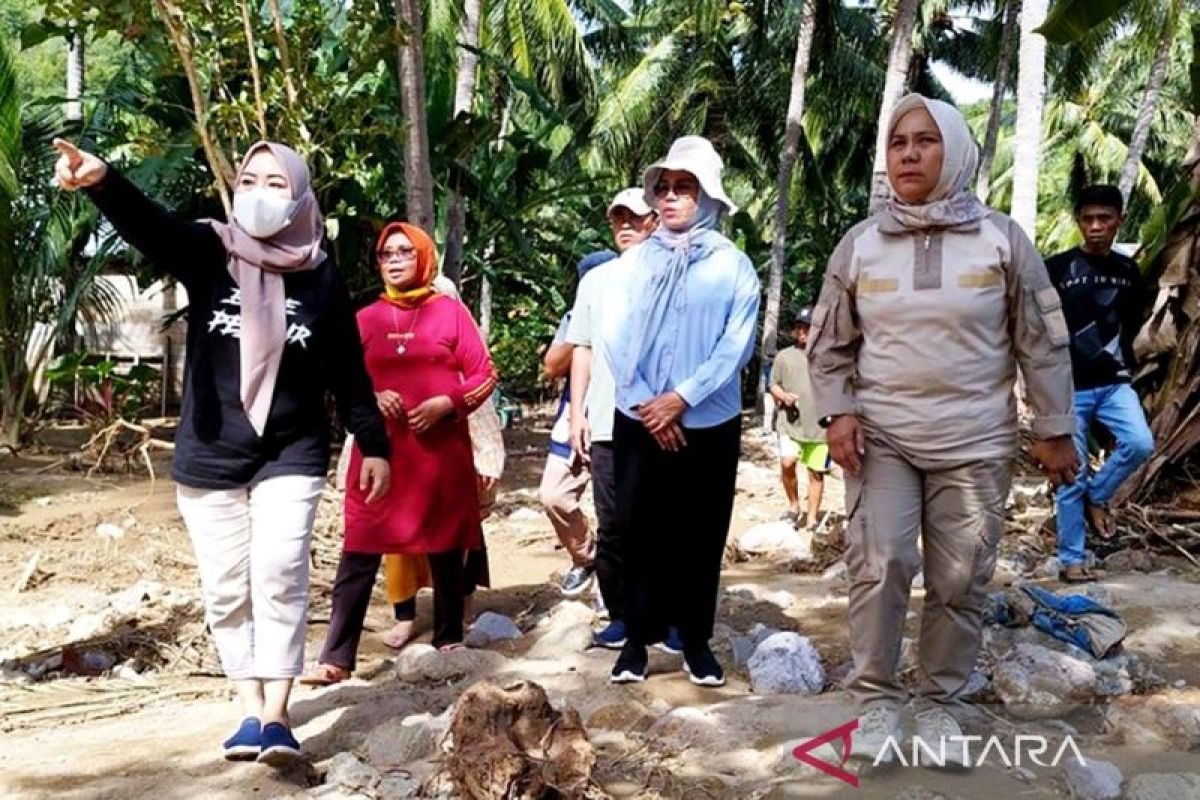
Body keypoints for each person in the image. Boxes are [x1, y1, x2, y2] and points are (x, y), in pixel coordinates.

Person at [53, 139, 391, 765]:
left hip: (291, 451)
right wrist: (104, 182)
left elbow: (348, 370)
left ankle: (277, 715)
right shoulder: (211, 252)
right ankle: (245, 706)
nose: (259, 193)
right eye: (249, 179)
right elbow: (152, 228)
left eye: (276, 183)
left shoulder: (321, 274)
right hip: (210, 454)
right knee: (228, 588)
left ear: (300, 195)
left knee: (280, 575)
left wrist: (374, 444)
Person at [807, 94, 1079, 768]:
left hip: (977, 439)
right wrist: (838, 412)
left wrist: (1054, 427)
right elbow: (829, 340)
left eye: (925, 141)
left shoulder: (1001, 239)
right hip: (885, 437)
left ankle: (941, 702)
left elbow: (1041, 341)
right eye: (898, 142)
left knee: (960, 578)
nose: (908, 153)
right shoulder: (862, 243)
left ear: (954, 151)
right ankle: (876, 698)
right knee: (882, 563)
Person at [597, 136, 761, 688]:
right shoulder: (633, 263)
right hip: (639, 416)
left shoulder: (735, 267)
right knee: (637, 526)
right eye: (662, 188)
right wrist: (651, 404)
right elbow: (615, 336)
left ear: (708, 196)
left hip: (707, 419)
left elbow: (735, 346)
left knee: (699, 531)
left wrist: (682, 398)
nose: (669, 198)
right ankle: (636, 644)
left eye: (683, 188)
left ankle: (695, 641)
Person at [303, 222, 497, 683]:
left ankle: (448, 639)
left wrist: (448, 402)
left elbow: (484, 374)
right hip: (380, 457)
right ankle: (336, 658)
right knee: (359, 549)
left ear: (424, 258)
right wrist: (372, 393)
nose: (393, 259)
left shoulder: (450, 313)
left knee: (446, 547)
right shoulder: (365, 318)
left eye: (404, 252)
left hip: (440, 453)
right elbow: (336, 378)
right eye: (385, 253)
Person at [567, 188, 660, 649]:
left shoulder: (669, 275)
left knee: (659, 521)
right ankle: (621, 615)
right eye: (617, 217)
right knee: (612, 524)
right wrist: (576, 413)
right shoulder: (595, 281)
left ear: (653, 222)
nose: (625, 224)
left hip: (659, 419)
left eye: (635, 217)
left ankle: (665, 616)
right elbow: (581, 347)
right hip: (604, 422)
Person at [1046, 185, 1154, 583]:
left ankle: (1099, 493)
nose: (1095, 227)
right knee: (1069, 476)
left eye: (1104, 219)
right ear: (1079, 222)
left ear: (1118, 221)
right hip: (1067, 386)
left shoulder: (1129, 272)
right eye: (1088, 219)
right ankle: (1072, 560)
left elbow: (1133, 325)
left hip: (1113, 383)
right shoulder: (1056, 268)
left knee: (1141, 442)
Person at [538, 250, 618, 597]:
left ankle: (616, 586)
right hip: (575, 419)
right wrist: (582, 331)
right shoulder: (573, 317)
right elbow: (552, 365)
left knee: (616, 506)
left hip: (620, 418)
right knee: (553, 495)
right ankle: (586, 558)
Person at [769, 307, 830, 530]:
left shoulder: (827, 357)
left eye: (808, 328)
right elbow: (772, 384)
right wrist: (783, 396)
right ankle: (794, 507)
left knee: (816, 473)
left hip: (820, 427)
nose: (802, 332)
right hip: (790, 423)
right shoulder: (784, 356)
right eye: (799, 327)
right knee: (787, 462)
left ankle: (812, 519)